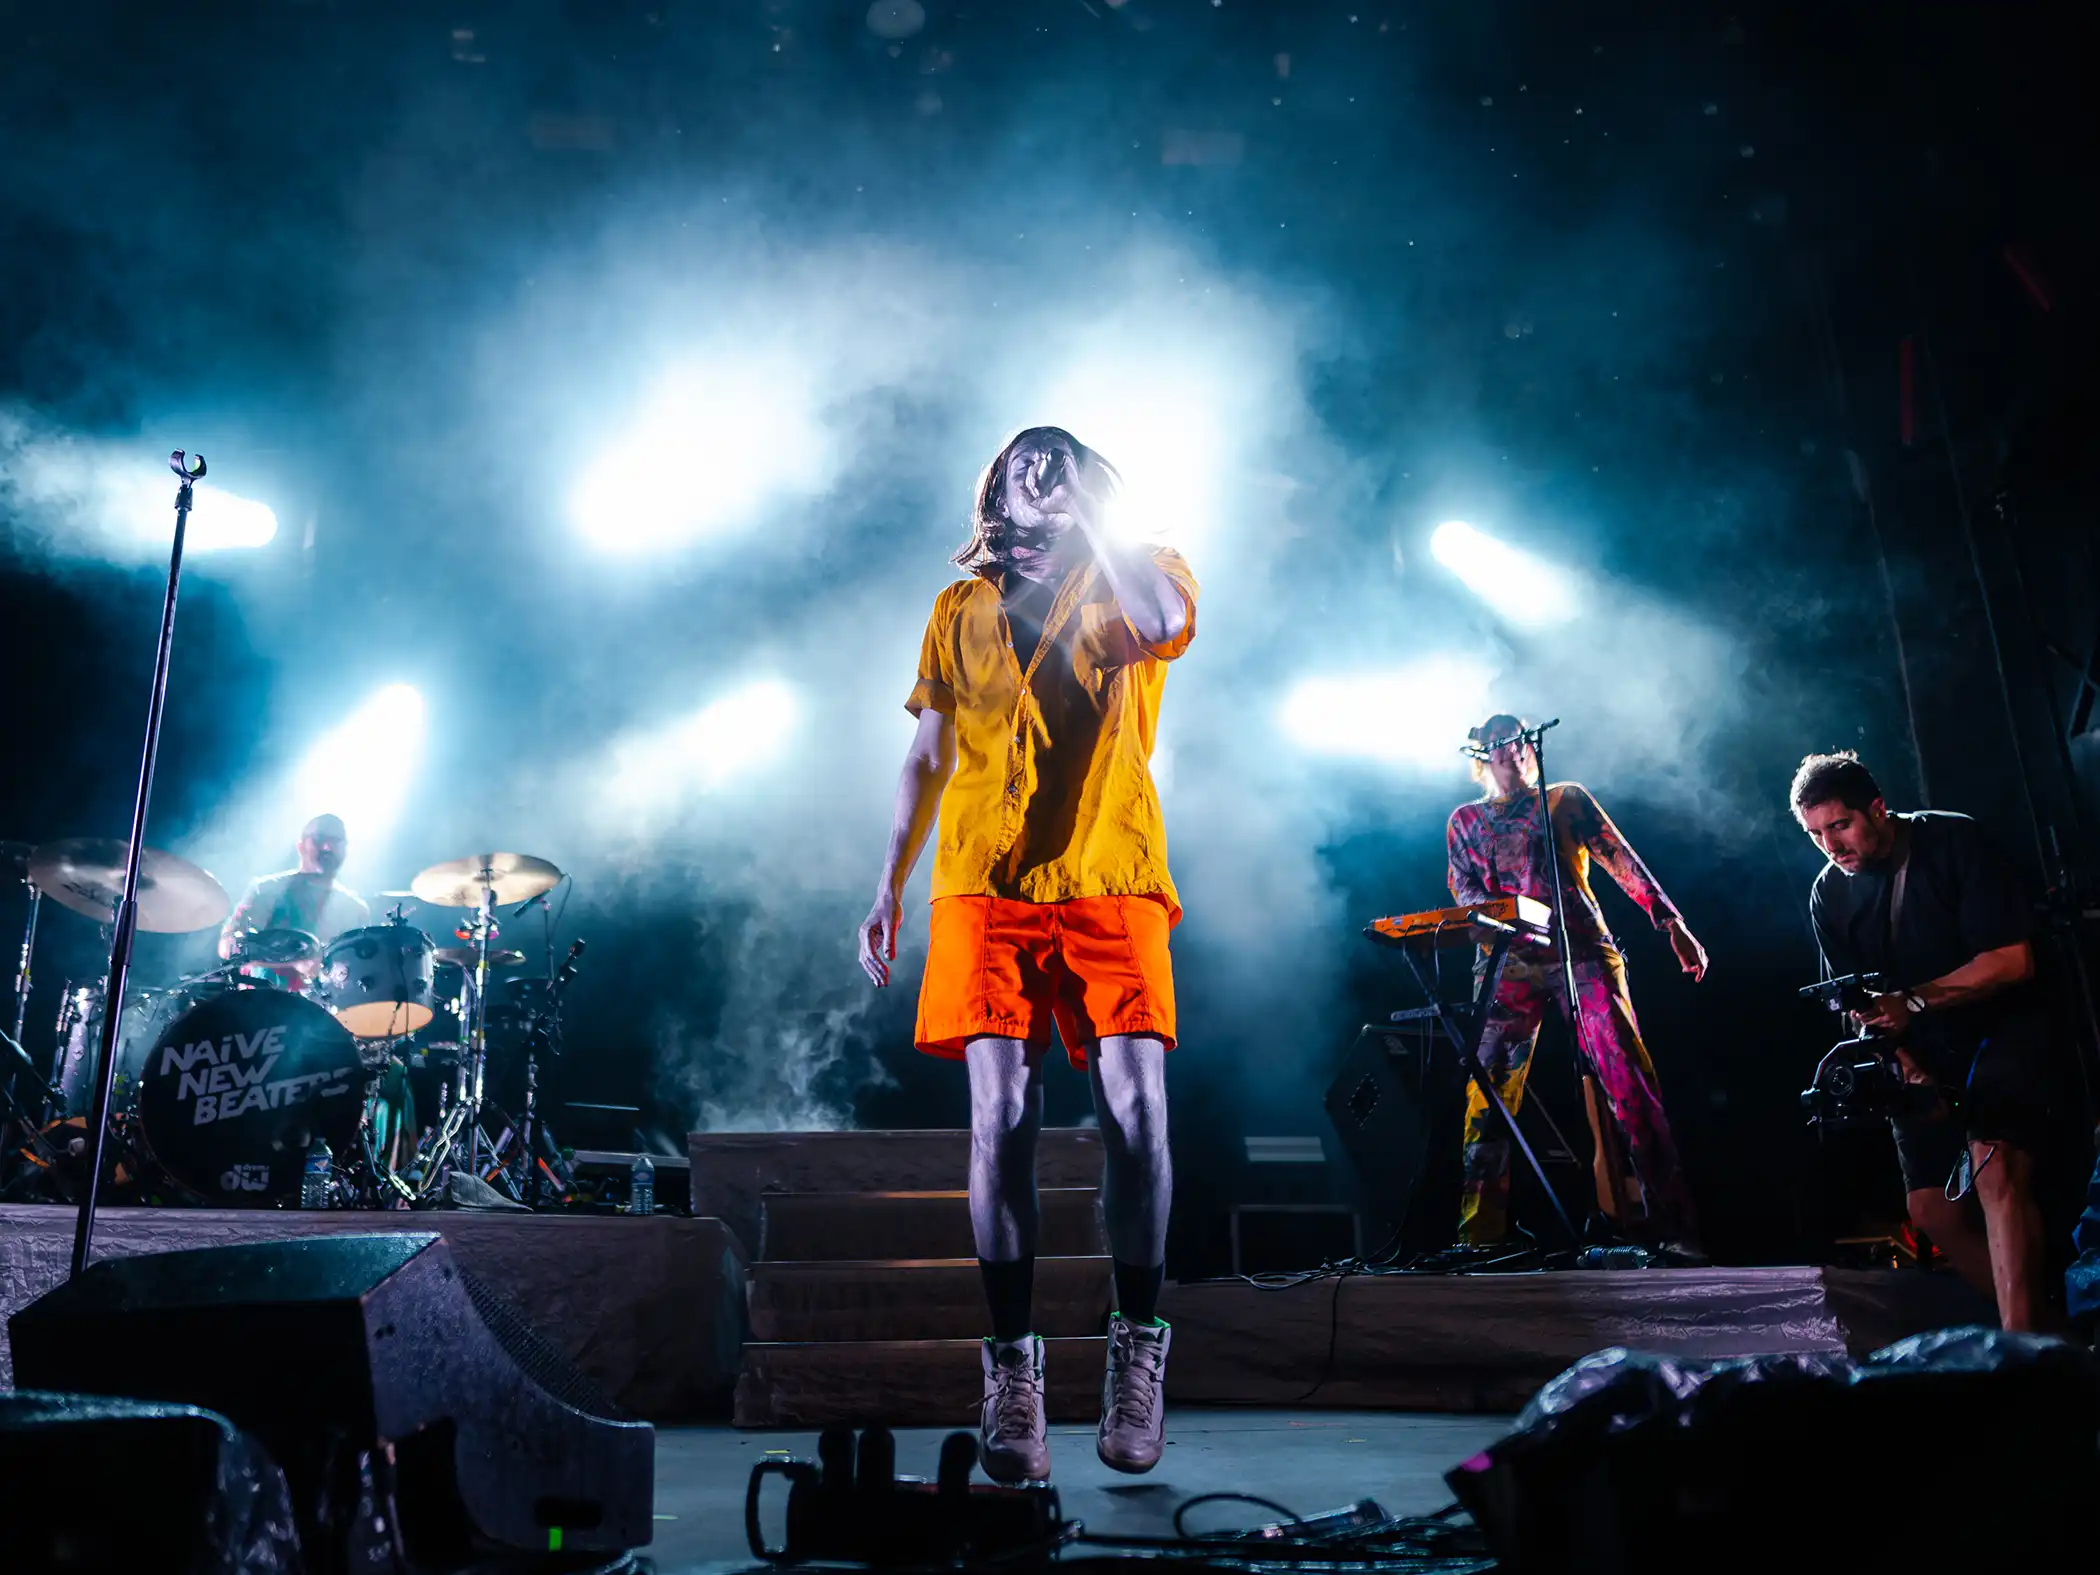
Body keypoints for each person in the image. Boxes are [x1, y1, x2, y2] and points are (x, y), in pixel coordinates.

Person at [857, 426, 1196, 1483]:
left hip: (1110, 875)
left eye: (1061, 461)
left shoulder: (1144, 570)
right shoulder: (956, 608)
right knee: (1000, 1120)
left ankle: (1137, 1349)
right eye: (1020, 461)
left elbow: (1161, 622)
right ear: (993, 488)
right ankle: (1011, 1370)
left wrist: (1102, 515)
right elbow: (925, 754)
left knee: (1138, 1117)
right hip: (983, 884)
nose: (1037, 469)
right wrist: (888, 882)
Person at [1791, 750, 2052, 1331]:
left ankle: (2022, 1352)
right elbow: (1854, 999)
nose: (1832, 846)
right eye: (1816, 834)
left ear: (1878, 810)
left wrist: (1912, 1002)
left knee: (1995, 1169)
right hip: (1918, 1052)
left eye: (1841, 825)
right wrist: (1905, 1060)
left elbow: (2013, 961)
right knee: (1929, 1210)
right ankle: (2048, 1328)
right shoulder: (1827, 893)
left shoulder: (1955, 842)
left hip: (2001, 1030)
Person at [1445, 715, 1708, 1250]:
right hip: (1506, 963)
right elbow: (1462, 888)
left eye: (1517, 740)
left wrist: (1670, 921)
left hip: (1581, 952)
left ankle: (1673, 1229)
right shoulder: (1464, 822)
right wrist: (1500, 918)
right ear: (1480, 756)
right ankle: (1478, 1236)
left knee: (1627, 1079)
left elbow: (1619, 857)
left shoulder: (1564, 799)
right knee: (1487, 1095)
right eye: (1497, 745)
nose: (1510, 752)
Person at [218, 813, 370, 973]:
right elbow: (228, 947)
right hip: (262, 996)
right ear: (300, 846)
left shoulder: (356, 910)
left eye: (336, 841)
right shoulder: (266, 889)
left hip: (328, 998)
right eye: (319, 839)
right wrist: (295, 963)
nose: (327, 847)